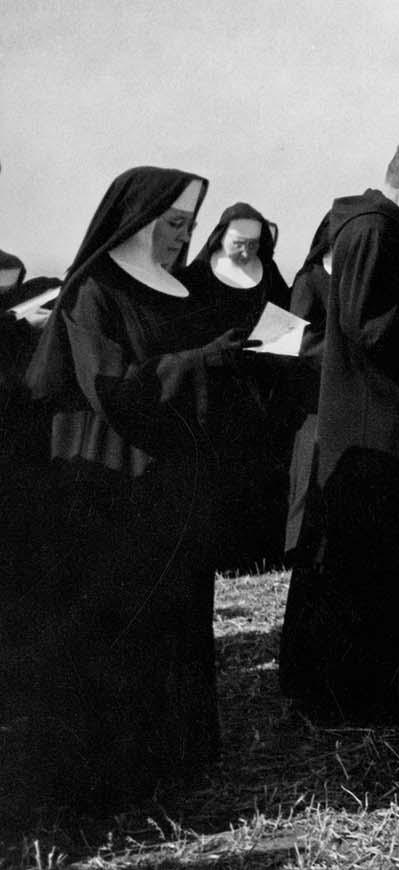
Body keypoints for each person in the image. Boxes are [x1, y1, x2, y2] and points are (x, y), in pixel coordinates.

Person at [7, 167, 237, 810]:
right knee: (118, 617)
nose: (181, 237)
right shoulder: (94, 292)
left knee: (174, 609)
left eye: (190, 225)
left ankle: (176, 751)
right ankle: (113, 769)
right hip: (111, 472)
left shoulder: (177, 289)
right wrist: (206, 360)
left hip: (169, 477)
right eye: (172, 223)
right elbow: (115, 388)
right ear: (136, 222)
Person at [278, 138, 399, 718]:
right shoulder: (374, 231)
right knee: (369, 565)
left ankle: (369, 686)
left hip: (376, 420)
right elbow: (371, 327)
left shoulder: (374, 228)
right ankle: (361, 693)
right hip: (376, 422)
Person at [179, 203, 297, 571]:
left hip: (259, 387)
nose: (247, 251)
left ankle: (256, 555)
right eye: (239, 242)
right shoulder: (197, 276)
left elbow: (286, 316)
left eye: (254, 244)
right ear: (220, 236)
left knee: (257, 470)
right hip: (213, 388)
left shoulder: (268, 272)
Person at [282, 212, 332, 567]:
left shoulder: (351, 278)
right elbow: (298, 340)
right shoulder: (310, 279)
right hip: (314, 393)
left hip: (341, 392)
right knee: (307, 476)